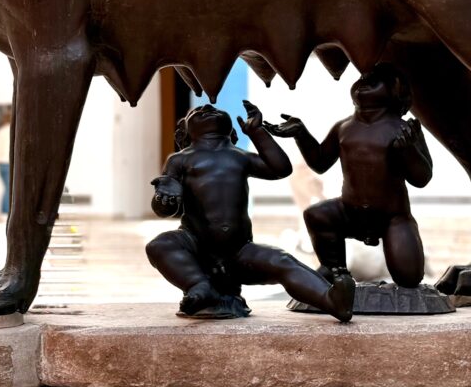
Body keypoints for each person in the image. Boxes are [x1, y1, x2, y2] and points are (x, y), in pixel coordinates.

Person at [147, 101, 355, 322]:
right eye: (196, 112)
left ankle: (332, 300)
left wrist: (258, 132)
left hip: (240, 251)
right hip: (196, 246)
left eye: (216, 109)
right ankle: (198, 285)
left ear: (232, 131)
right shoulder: (180, 159)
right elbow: (164, 208)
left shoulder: (240, 157)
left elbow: (280, 168)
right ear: (186, 133)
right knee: (159, 245)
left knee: (283, 261)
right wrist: (166, 197)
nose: (206, 108)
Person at [265, 63, 432, 288]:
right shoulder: (344, 127)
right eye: (362, 79)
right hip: (350, 211)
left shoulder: (404, 129)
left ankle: (401, 270)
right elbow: (320, 162)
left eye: (374, 81)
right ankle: (334, 270)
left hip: (393, 216)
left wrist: (408, 151)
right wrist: (301, 134)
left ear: (395, 90)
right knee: (317, 214)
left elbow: (422, 178)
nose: (364, 83)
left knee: (408, 277)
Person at [0, 108, 12, 215]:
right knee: (9, 189)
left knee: (7, 188)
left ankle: (4, 211)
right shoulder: (12, 130)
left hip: (0, 164)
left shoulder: (0, 131)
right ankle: (5, 212)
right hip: (8, 163)